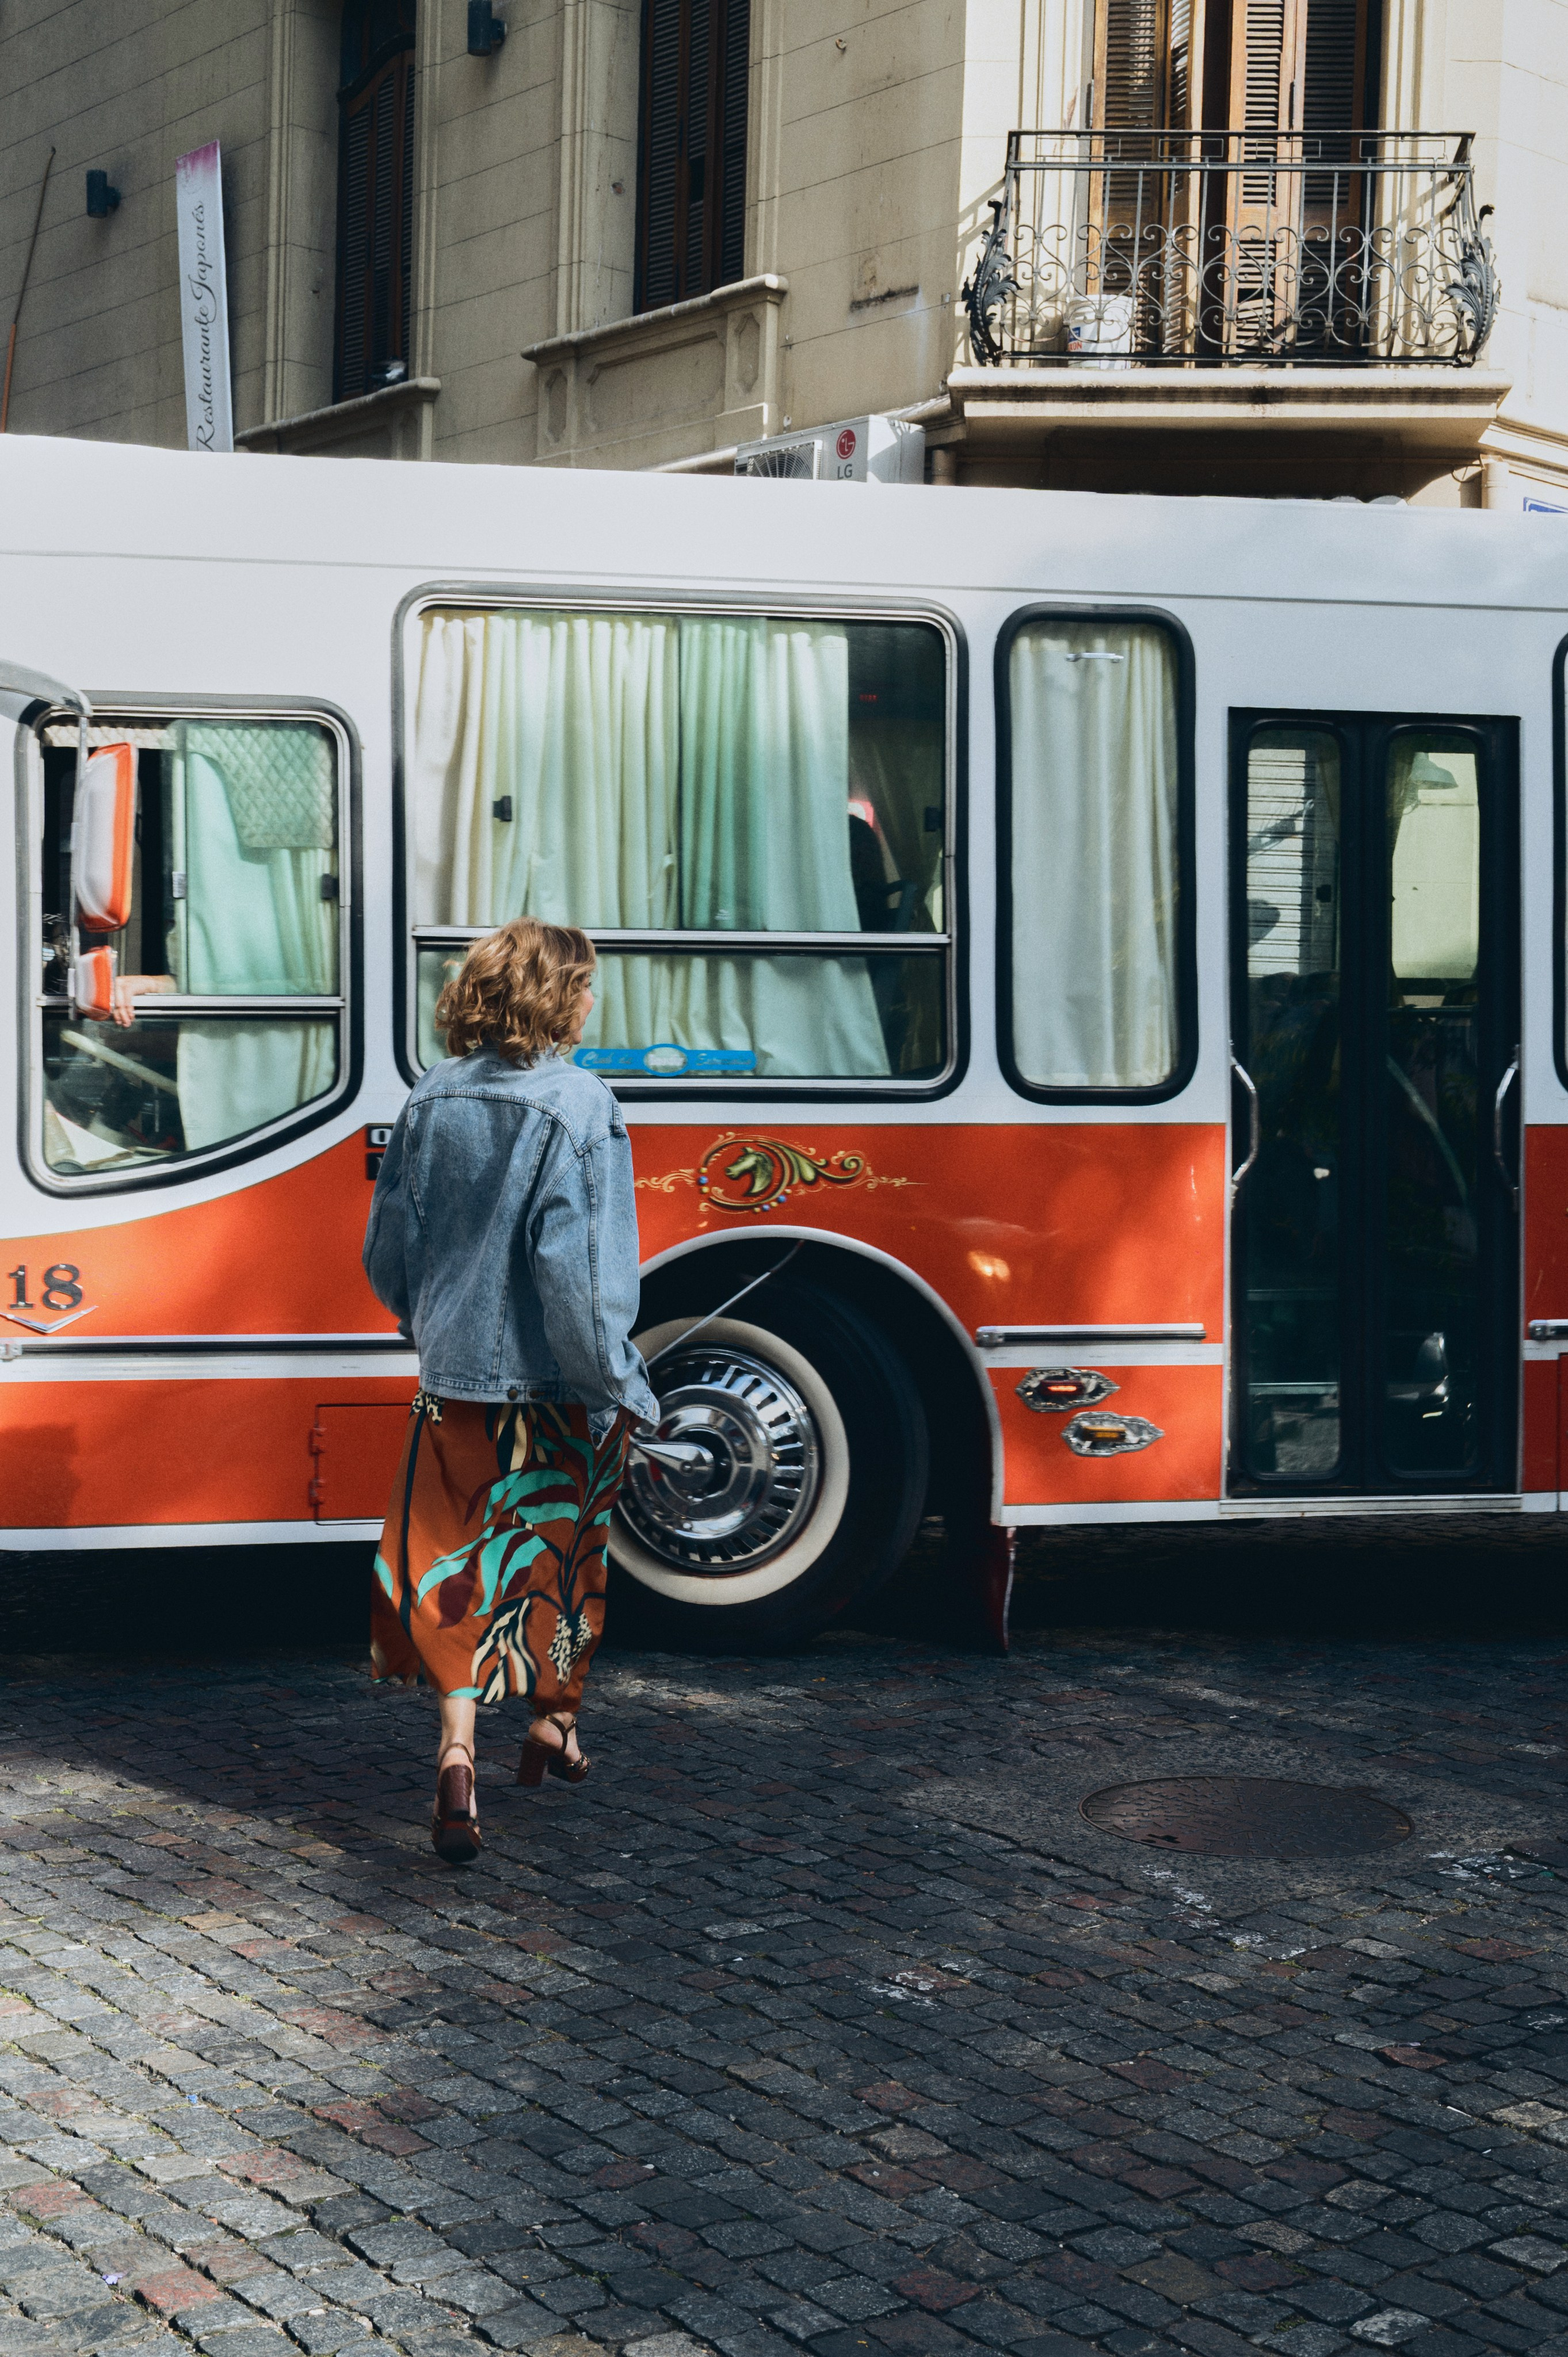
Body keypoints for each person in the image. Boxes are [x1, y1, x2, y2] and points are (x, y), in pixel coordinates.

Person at [362, 917, 659, 1862]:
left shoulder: (431, 1097)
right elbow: (578, 1279)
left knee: (453, 1571)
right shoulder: (579, 1106)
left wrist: (429, 1325)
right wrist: (615, 1386)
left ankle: (456, 1752)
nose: (590, 999)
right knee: (562, 1579)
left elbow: (388, 1252)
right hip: (554, 1395)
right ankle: (555, 1716)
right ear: (556, 995)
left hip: (448, 1384)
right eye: (583, 984)